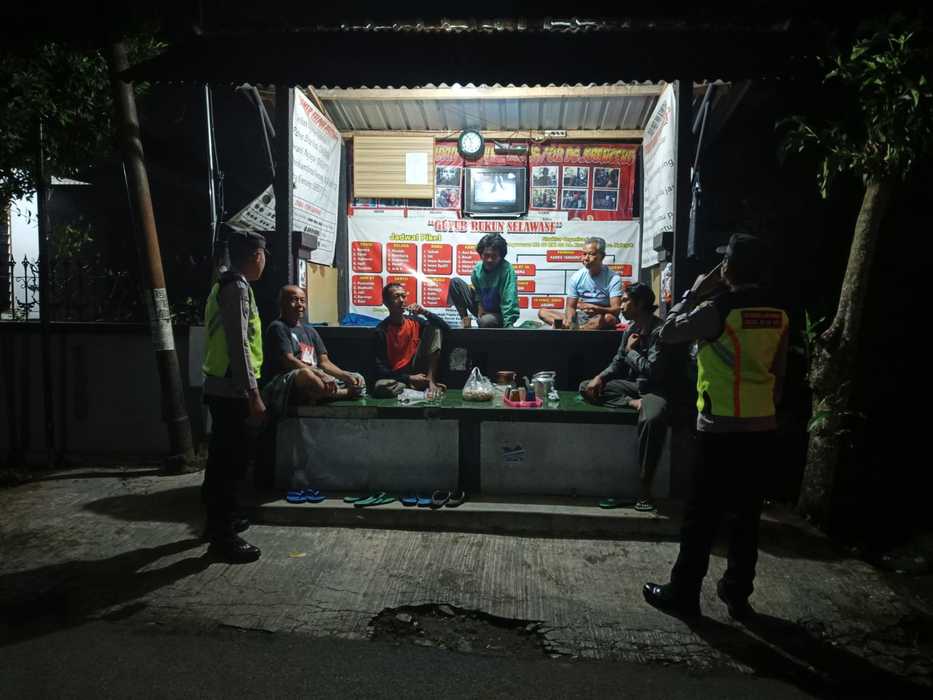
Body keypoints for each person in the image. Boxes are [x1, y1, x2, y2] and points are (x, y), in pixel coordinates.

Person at [643, 233, 789, 620]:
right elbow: (779, 374)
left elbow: (667, 333)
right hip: (762, 427)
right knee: (746, 516)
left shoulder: (718, 309)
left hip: (719, 428)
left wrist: (693, 293)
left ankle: (684, 593)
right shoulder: (778, 312)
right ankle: (737, 594)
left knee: (701, 516)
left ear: (727, 268)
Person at [201, 231, 268, 563]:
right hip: (232, 389)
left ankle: (218, 522)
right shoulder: (237, 288)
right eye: (263, 255)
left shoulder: (224, 284)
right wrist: (252, 392)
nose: (264, 262)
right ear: (255, 255)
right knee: (232, 463)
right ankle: (223, 537)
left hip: (221, 385)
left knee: (221, 460)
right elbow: (239, 344)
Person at [580, 282, 668, 511]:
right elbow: (618, 362)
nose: (622, 305)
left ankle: (645, 489)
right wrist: (599, 377)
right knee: (586, 387)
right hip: (633, 388)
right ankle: (631, 402)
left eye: (626, 301)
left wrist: (631, 351)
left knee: (651, 420)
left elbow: (653, 371)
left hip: (655, 389)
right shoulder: (631, 328)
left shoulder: (660, 330)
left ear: (640, 304)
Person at [260, 285, 365, 413]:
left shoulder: (310, 330)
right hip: (289, 380)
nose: (300, 304)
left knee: (357, 377)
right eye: (294, 300)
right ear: (281, 303)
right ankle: (344, 393)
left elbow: (324, 363)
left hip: (318, 378)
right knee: (306, 374)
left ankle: (318, 394)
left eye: (302, 300)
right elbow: (289, 361)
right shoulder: (278, 327)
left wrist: (346, 376)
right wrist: (320, 374)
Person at [372, 283, 450, 398]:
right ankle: (416, 387)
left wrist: (424, 312)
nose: (401, 300)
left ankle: (430, 381)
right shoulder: (381, 330)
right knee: (381, 387)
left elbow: (446, 328)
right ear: (386, 303)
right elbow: (381, 369)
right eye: (396, 296)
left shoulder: (415, 321)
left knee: (435, 328)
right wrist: (409, 378)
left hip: (419, 370)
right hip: (399, 377)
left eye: (403, 296)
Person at [539, 237, 621, 330]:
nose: (586, 258)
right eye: (584, 254)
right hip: (582, 317)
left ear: (602, 256)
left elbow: (616, 310)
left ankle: (576, 330)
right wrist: (570, 320)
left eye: (591, 254)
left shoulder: (613, 278)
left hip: (601, 316)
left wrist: (597, 308)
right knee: (543, 312)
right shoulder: (577, 276)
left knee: (608, 318)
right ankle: (575, 328)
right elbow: (570, 307)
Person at [446, 233, 519, 328]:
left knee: (485, 321)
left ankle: (497, 321)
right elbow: (478, 292)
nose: (489, 260)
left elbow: (509, 299)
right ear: (481, 255)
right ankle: (465, 320)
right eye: (486, 255)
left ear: (501, 257)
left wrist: (508, 325)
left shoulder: (507, 270)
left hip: (499, 314)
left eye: (494, 256)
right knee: (455, 283)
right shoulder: (477, 269)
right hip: (482, 307)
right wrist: (480, 305)